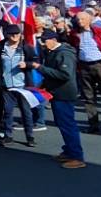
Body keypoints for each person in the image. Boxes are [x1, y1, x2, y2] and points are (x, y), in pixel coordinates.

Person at [66, 11, 101, 134]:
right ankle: (93, 124)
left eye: (82, 19)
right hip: (83, 66)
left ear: (89, 20)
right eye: (78, 19)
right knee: (88, 97)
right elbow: (71, 46)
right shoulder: (74, 33)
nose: (79, 22)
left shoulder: (99, 31)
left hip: (100, 65)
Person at [36, 29, 86, 169]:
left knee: (68, 124)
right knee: (62, 123)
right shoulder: (53, 53)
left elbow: (64, 74)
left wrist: (40, 68)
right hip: (56, 92)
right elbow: (52, 72)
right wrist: (44, 84)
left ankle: (77, 156)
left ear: (53, 39)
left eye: (45, 41)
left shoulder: (64, 53)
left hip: (64, 93)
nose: (43, 45)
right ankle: (69, 150)